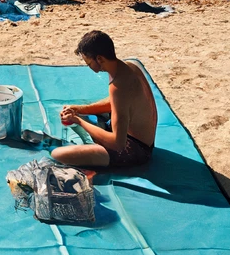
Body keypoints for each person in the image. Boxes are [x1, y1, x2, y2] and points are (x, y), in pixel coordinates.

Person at [51, 30, 159, 170]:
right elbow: (118, 103)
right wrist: (79, 109)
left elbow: (118, 144)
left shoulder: (118, 86)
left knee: (58, 154)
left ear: (100, 59)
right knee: (88, 115)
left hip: (137, 150)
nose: (89, 67)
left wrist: (78, 121)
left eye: (89, 63)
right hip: (145, 141)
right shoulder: (129, 65)